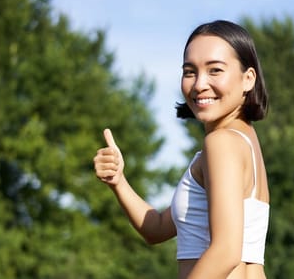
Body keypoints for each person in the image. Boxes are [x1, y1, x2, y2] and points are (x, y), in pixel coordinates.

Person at [93, 20, 270, 279]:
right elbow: (157, 229)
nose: (199, 84)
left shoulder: (222, 142)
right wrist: (118, 181)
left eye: (215, 70)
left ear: (248, 79)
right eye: (190, 71)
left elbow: (226, 252)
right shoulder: (244, 141)